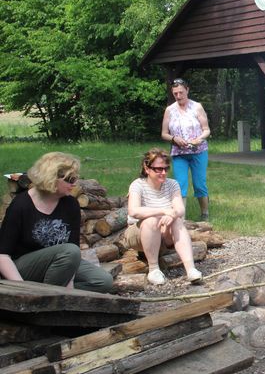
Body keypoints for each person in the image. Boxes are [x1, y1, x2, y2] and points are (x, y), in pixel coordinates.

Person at [0, 152, 113, 293]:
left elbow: (74, 248)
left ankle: (54, 293)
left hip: (61, 264)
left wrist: (69, 284)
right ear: (52, 178)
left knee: (103, 281)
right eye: (70, 179)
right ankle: (48, 298)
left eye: (76, 178)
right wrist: (22, 289)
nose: (74, 184)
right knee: (68, 252)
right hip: (23, 267)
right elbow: (2, 255)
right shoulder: (21, 205)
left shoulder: (71, 204)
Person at [125, 148, 203, 285]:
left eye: (166, 169)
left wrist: (172, 214)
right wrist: (163, 211)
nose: (163, 173)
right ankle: (154, 269)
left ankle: (191, 269)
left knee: (177, 221)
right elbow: (134, 211)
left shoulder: (172, 184)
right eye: (158, 169)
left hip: (163, 234)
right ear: (147, 168)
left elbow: (179, 208)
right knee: (151, 221)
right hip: (138, 233)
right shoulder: (137, 185)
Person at [161, 78, 211, 221]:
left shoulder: (197, 107)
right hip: (179, 154)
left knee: (199, 184)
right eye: (175, 93)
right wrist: (174, 139)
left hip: (198, 152)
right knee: (180, 185)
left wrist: (198, 140)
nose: (178, 96)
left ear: (187, 90)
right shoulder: (169, 110)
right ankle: (181, 219)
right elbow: (164, 133)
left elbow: (206, 130)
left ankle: (205, 215)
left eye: (181, 92)